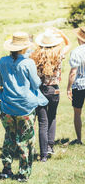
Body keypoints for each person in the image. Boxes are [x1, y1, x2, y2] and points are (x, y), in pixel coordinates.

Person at [0, 32, 48, 182]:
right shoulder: (28, 63)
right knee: (26, 140)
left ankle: (6, 169)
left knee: (9, 138)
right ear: (25, 47)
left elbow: (0, 81)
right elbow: (35, 83)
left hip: (7, 106)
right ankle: (23, 173)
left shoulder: (2, 61)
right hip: (25, 106)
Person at [31, 28, 70, 161]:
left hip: (41, 90)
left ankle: (43, 155)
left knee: (43, 122)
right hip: (54, 89)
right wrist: (62, 34)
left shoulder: (36, 56)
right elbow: (68, 44)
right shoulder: (58, 54)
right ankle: (50, 146)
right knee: (52, 117)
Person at [67, 26, 85, 144]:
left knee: (77, 113)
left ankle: (79, 139)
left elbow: (73, 72)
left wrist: (68, 88)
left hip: (79, 85)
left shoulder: (76, 51)